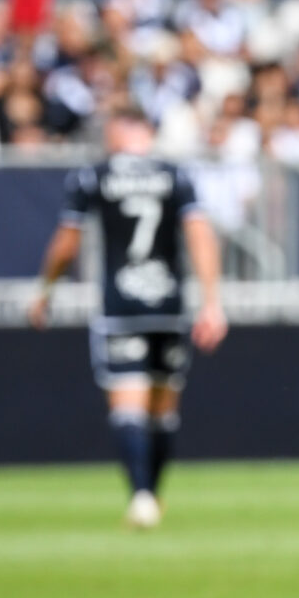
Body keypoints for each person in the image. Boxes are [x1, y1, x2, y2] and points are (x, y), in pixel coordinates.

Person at [28, 106, 228, 529]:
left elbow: (66, 243)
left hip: (121, 305)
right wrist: (212, 301)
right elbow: (200, 234)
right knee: (163, 409)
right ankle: (153, 495)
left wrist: (45, 290)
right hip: (169, 305)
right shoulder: (175, 175)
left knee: (128, 405)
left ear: (120, 130)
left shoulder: (93, 176)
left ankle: (140, 496)